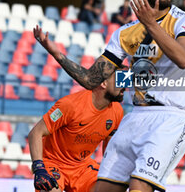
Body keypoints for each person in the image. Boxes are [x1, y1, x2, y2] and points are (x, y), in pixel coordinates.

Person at [33, 0, 185, 192]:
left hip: (170, 116)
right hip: (135, 116)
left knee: (139, 186)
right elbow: (93, 80)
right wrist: (55, 52)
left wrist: (150, 23)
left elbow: (183, 59)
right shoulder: (125, 33)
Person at [28, 58, 125, 192]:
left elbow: (109, 149)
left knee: (112, 188)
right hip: (53, 163)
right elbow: (36, 133)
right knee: (48, 189)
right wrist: (38, 168)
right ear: (103, 83)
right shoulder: (70, 105)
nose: (125, 85)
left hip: (82, 167)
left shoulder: (117, 111)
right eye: (121, 79)